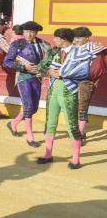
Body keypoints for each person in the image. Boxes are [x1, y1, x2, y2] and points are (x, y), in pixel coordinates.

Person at [36, 28, 91, 169]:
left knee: (72, 125)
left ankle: (76, 159)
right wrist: (49, 71)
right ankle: (48, 154)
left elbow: (84, 72)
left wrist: (61, 73)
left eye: (56, 39)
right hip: (53, 91)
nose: (54, 41)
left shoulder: (79, 53)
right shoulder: (54, 51)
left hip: (69, 92)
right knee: (50, 122)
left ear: (64, 40)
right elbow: (40, 67)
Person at [3, 21, 49, 146]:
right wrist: (24, 67)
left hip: (37, 78)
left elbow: (49, 60)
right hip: (23, 77)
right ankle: (30, 137)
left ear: (36, 32)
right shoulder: (17, 44)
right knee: (28, 107)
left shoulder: (43, 44)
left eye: (32, 32)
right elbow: (7, 62)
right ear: (23, 32)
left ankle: (13, 123)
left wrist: (44, 71)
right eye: (27, 32)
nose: (29, 34)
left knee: (33, 108)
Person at [72, 27, 106, 142]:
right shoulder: (74, 48)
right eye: (75, 37)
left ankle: (80, 134)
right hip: (72, 80)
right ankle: (81, 132)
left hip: (86, 81)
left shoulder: (96, 49)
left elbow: (99, 68)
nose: (76, 40)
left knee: (82, 107)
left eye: (79, 37)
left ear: (87, 38)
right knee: (76, 106)